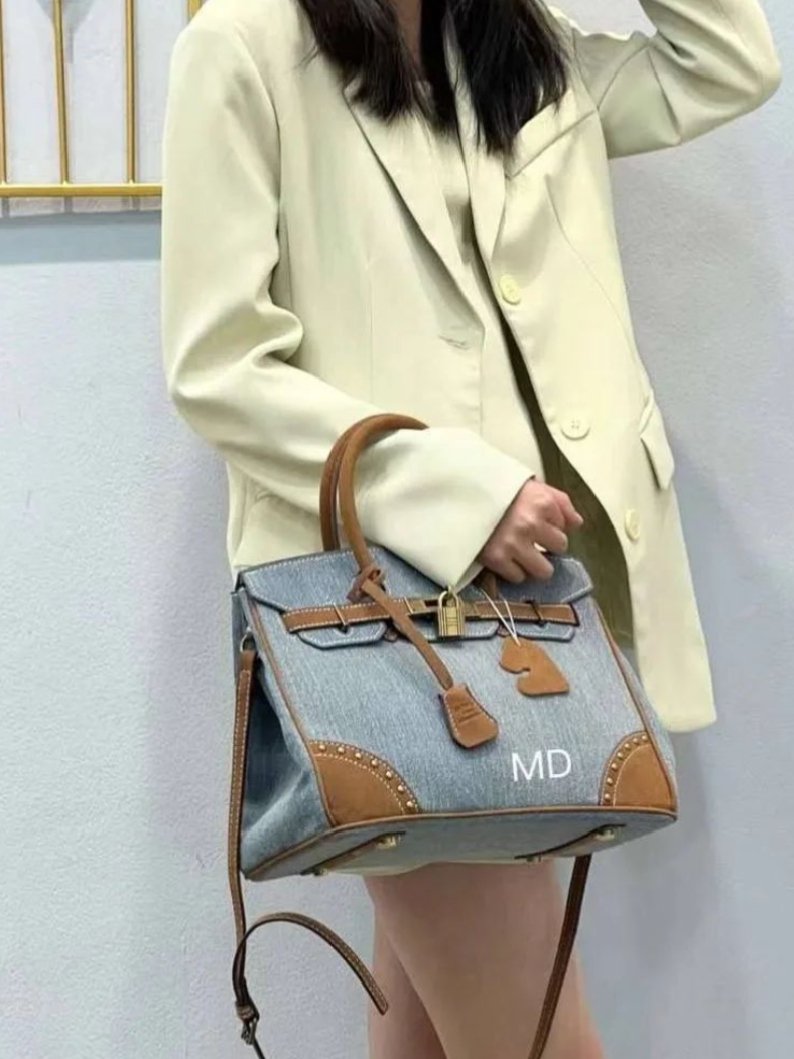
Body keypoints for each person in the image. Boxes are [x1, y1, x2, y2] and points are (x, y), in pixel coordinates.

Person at [160, 0, 781, 1055]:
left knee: (432, 1035)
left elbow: (725, 62)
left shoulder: (519, 47)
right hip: (390, 633)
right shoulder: (244, 46)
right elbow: (218, 366)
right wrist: (452, 491)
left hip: (527, 624)